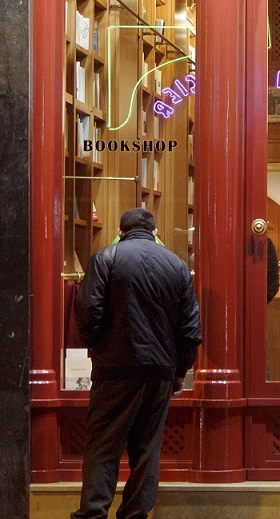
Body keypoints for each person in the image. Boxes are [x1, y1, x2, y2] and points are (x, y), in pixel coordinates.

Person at [71, 207, 202, 519]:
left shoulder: (106, 258)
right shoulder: (178, 266)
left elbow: (88, 314)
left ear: (121, 230)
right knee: (147, 448)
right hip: (160, 371)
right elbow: (190, 330)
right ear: (154, 232)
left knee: (104, 445)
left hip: (115, 369)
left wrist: (100, 349)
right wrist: (179, 371)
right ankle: (135, 514)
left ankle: (93, 513)